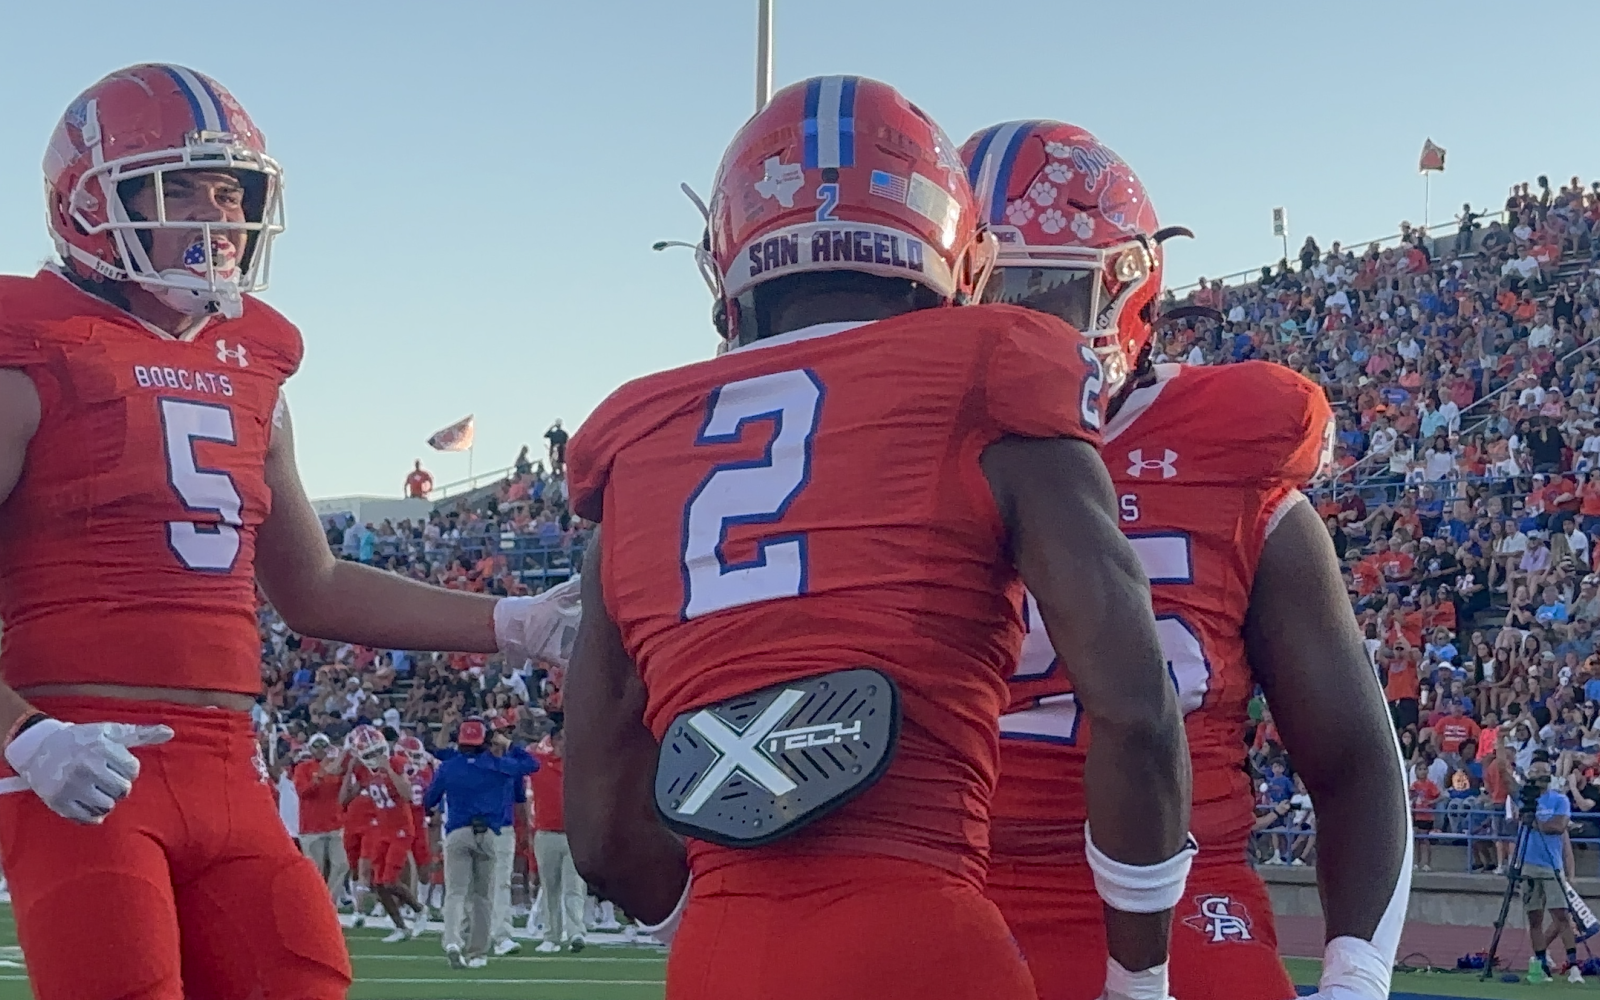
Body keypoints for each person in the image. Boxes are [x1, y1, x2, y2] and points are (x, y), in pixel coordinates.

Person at [562, 77, 1193, 1000]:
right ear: (952, 247)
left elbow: (606, 841)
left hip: (723, 957)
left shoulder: (634, 447)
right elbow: (1136, 713)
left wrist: (740, 934)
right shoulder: (994, 370)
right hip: (923, 932)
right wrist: (1141, 981)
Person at [0, 64, 593, 1000]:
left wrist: (511, 623)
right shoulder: (29, 347)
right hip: (84, 760)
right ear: (88, 204)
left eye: (230, 191)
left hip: (228, 765)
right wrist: (23, 734)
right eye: (178, 187)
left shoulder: (257, 367)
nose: (215, 217)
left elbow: (310, 584)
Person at [961, 120, 1410, 1000]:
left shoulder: (1232, 460)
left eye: (1032, 293)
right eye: (968, 299)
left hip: (1189, 900)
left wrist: (1358, 974)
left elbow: (1355, 755)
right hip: (951, 890)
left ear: (1126, 289)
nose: (1000, 330)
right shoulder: (901, 447)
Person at [423, 717, 538, 970]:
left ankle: (452, 940)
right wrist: (509, 744)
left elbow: (429, 799)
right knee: (482, 896)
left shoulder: (449, 767)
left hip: (457, 832)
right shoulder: (497, 766)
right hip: (489, 833)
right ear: (485, 741)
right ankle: (477, 952)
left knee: (455, 893)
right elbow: (531, 764)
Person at [342, 726, 423, 943]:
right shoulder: (364, 771)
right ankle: (400, 927)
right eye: (368, 755)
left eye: (376, 752)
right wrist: (351, 772)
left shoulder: (396, 763)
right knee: (377, 883)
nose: (374, 758)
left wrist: (389, 769)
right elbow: (344, 799)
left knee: (388, 881)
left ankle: (419, 909)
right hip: (382, 830)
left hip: (401, 829)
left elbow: (406, 794)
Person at [1520, 753, 1583, 984]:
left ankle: (1574, 965)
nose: (1539, 776)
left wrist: (1535, 822)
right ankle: (1541, 966)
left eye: (1542, 771)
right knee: (1534, 917)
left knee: (1561, 917)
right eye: (1535, 771)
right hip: (1528, 864)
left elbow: (1557, 827)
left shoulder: (1559, 800)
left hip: (1551, 866)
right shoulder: (1525, 799)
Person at [530, 724, 587, 953]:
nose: (566, 743)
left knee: (573, 888)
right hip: (546, 833)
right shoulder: (539, 763)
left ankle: (576, 933)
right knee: (550, 887)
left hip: (573, 834)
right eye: (562, 739)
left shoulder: (580, 767)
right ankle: (551, 935)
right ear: (553, 741)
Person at [293, 733, 349, 904]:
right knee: (315, 871)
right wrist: (321, 775)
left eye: (323, 746)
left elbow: (344, 793)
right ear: (310, 749)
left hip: (334, 825)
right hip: (312, 828)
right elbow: (303, 792)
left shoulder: (337, 768)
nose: (320, 750)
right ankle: (313, 903)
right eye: (316, 746)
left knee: (341, 865)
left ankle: (328, 902)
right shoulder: (303, 768)